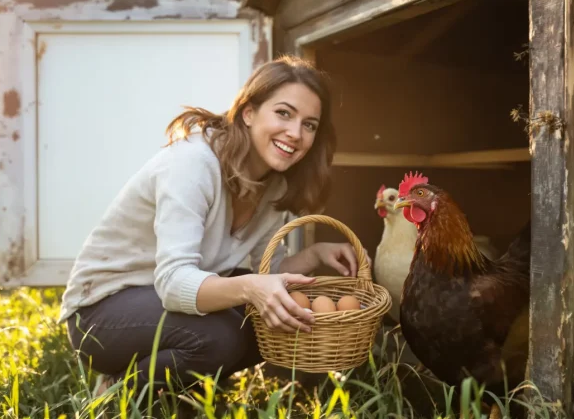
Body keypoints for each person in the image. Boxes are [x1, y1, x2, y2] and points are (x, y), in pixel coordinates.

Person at [59, 55, 362, 399]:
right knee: (222, 336)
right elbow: (174, 282)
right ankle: (118, 392)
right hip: (101, 313)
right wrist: (249, 289)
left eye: (309, 124)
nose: (295, 133)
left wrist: (314, 254)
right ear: (248, 113)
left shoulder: (273, 185)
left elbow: (268, 272)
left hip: (162, 303)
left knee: (270, 320)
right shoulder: (193, 164)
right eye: (283, 113)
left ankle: (175, 388)